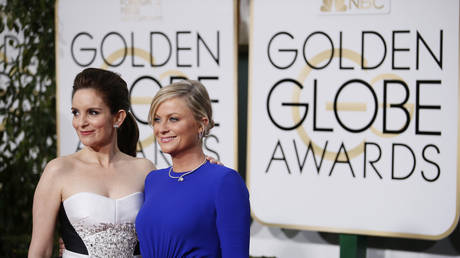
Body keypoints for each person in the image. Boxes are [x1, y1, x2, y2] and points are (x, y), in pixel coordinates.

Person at [28, 68, 155, 257]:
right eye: (76, 113)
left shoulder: (145, 169)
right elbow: (40, 251)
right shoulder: (58, 170)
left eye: (93, 113)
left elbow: (171, 228)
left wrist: (209, 167)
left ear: (118, 117)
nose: (81, 122)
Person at [135, 80, 251, 257]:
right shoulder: (153, 180)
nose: (162, 128)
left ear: (200, 124)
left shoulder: (225, 181)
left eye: (173, 119)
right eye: (157, 119)